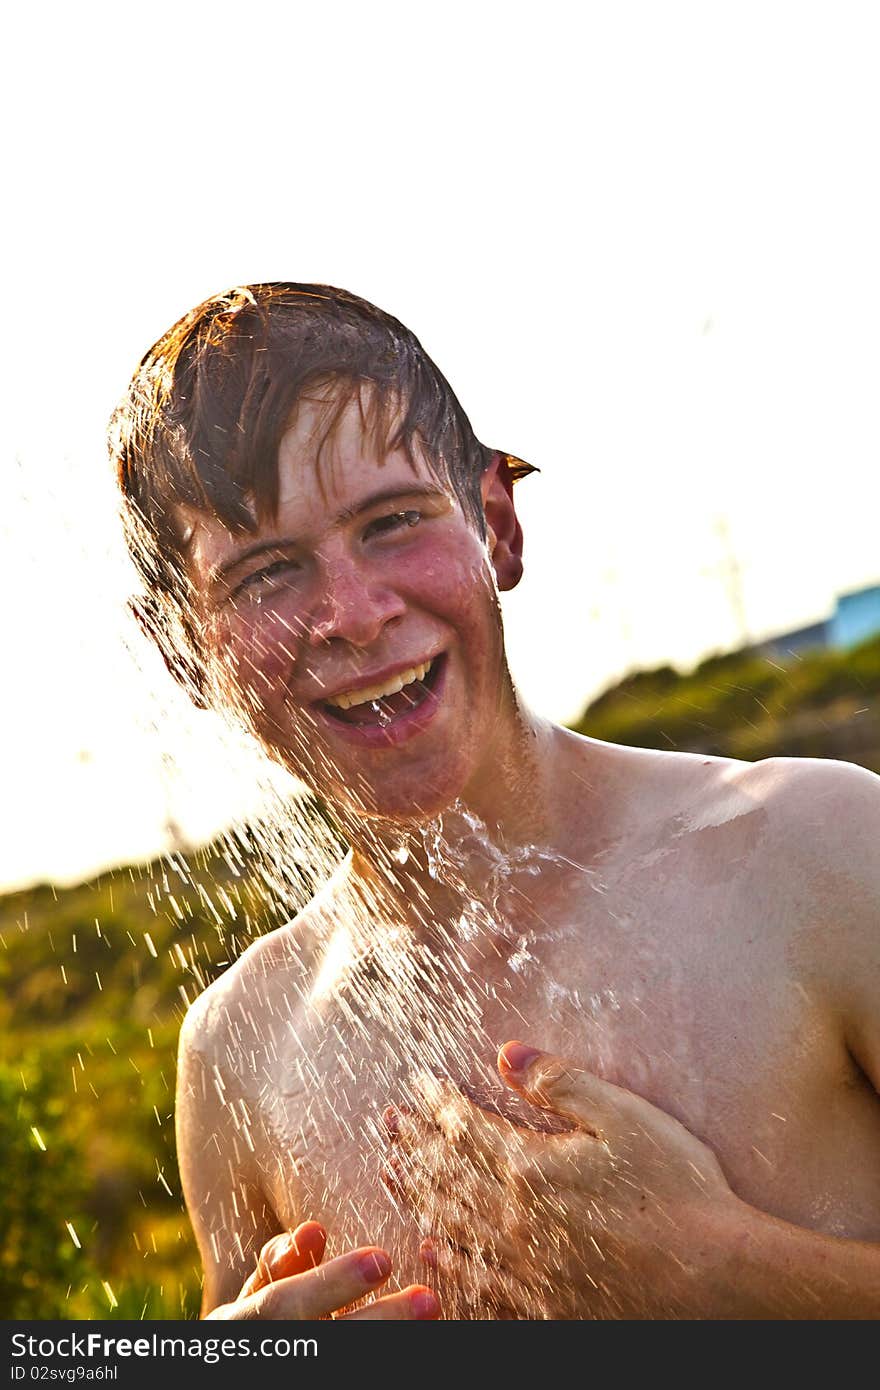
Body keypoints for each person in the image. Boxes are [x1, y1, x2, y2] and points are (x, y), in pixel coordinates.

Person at [112, 283, 880, 1319]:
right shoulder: (239, 1047)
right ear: (182, 651)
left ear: (497, 525)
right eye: (263, 575)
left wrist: (722, 1268)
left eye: (390, 522)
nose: (350, 612)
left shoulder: (818, 853)